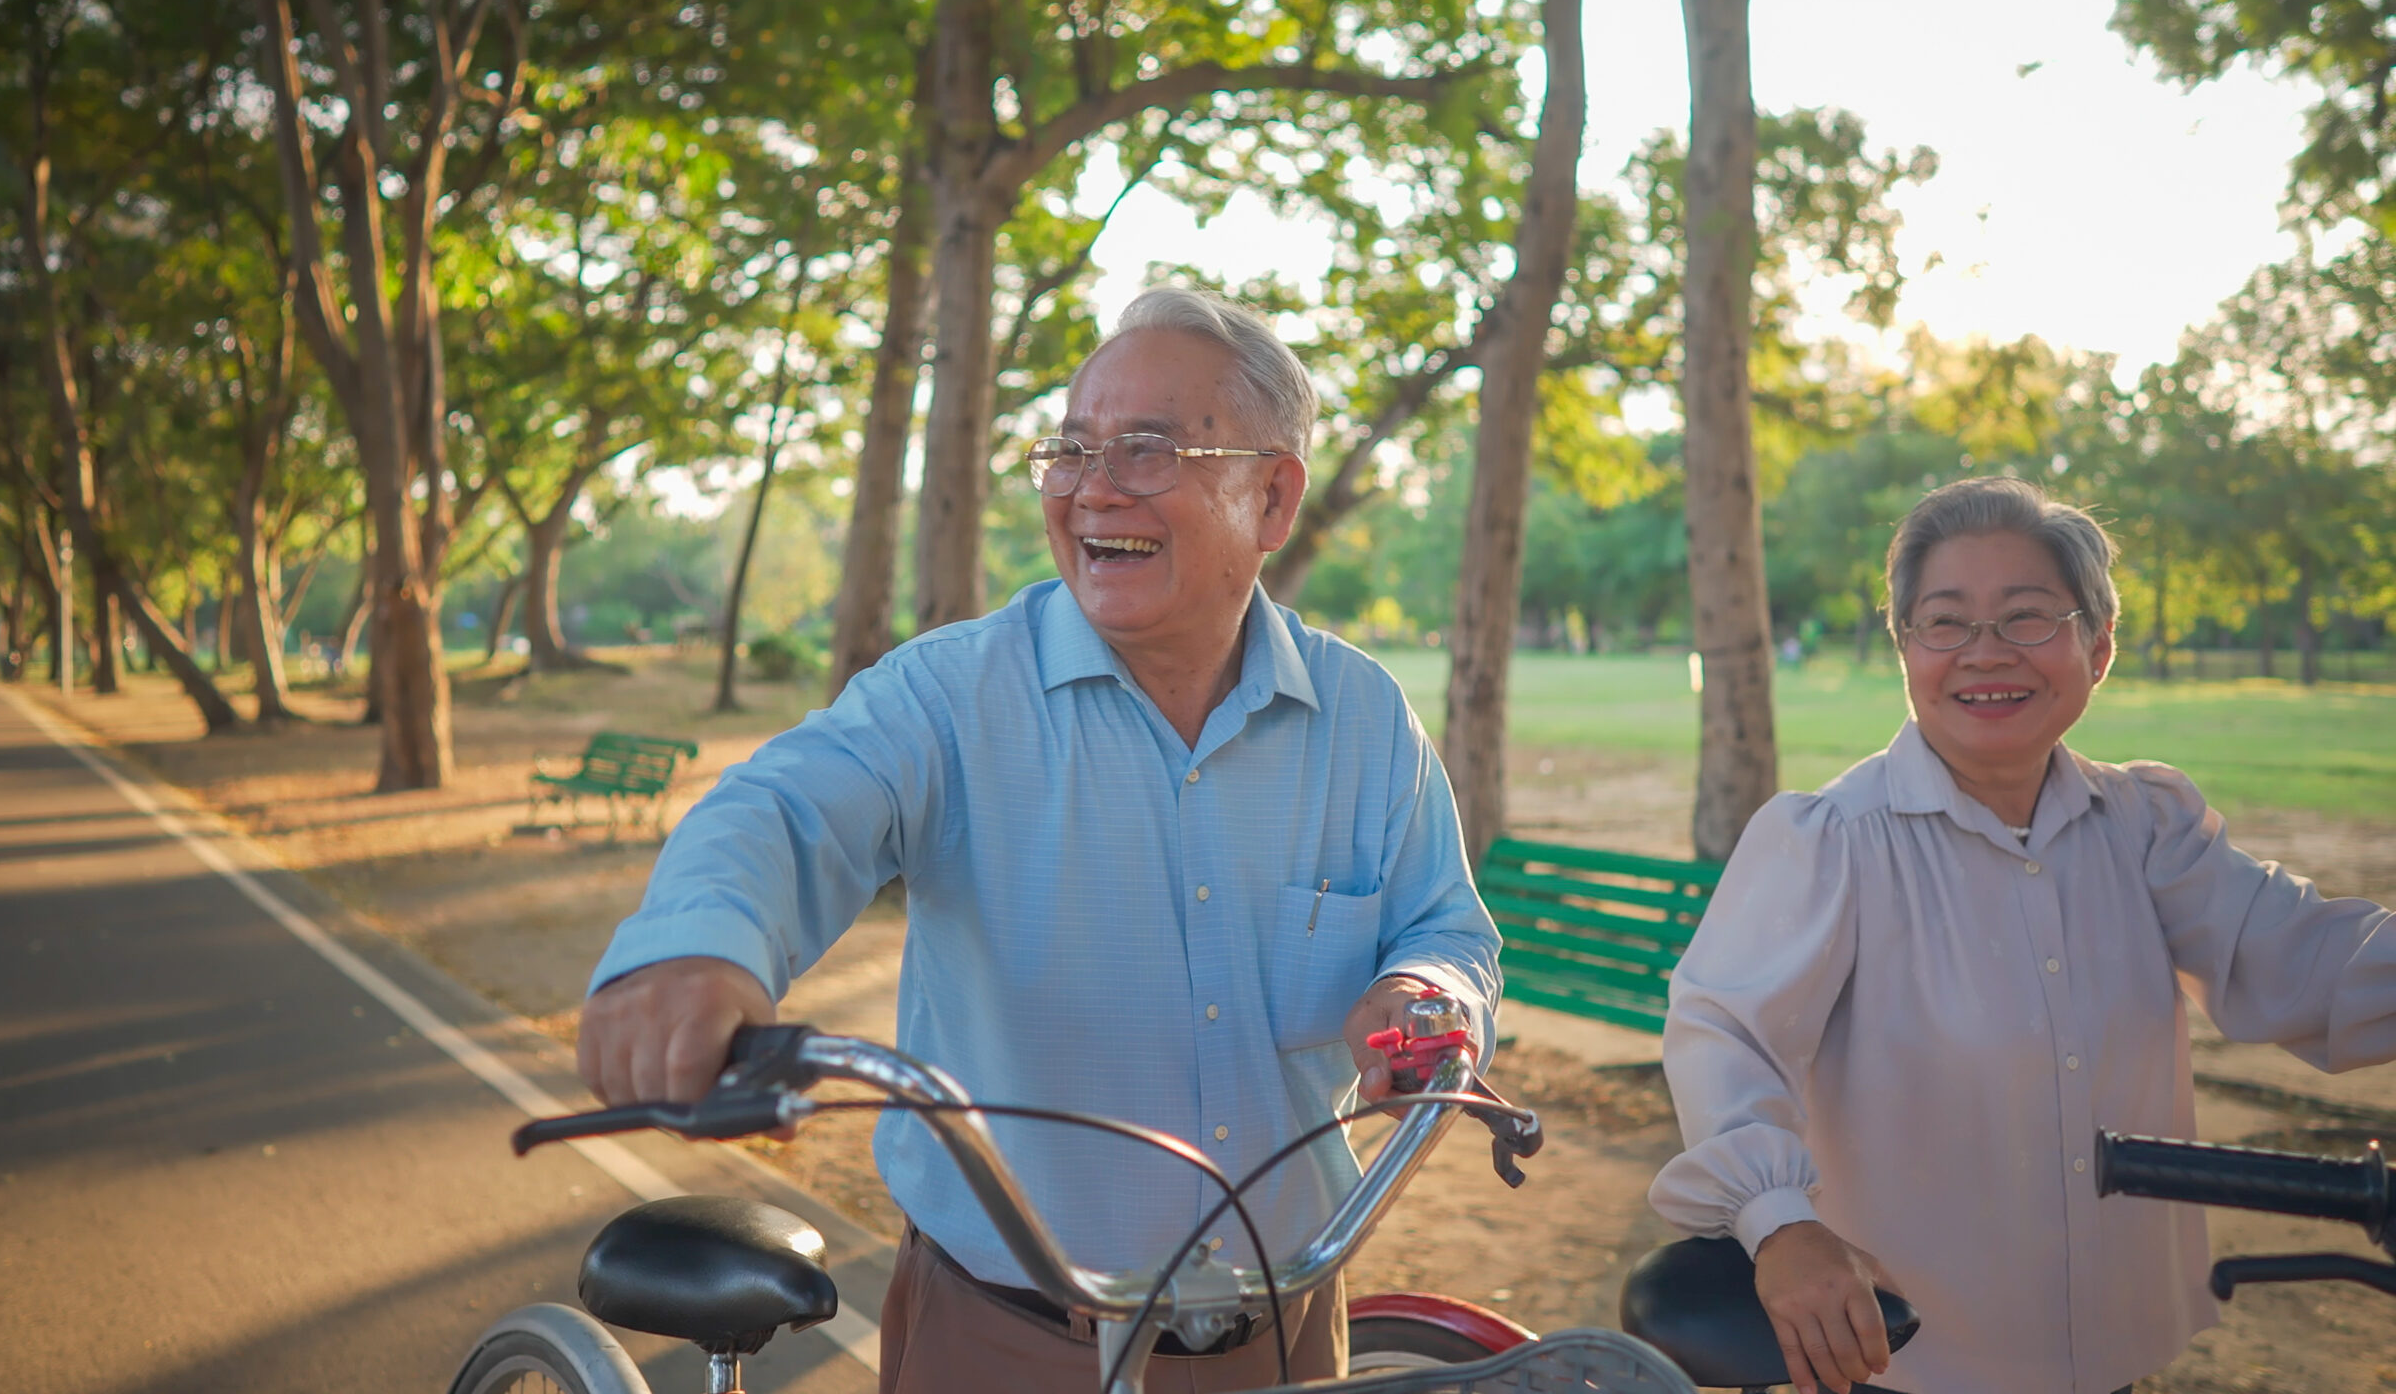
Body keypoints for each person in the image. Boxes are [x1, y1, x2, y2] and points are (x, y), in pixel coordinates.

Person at [578, 287, 1501, 1394]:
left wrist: (1423, 991)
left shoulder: (1362, 720)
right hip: (1008, 1342)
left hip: (1289, 1334)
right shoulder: (951, 695)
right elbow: (786, 807)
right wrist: (697, 947)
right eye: (1068, 449)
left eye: (1149, 449)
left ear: (1272, 495)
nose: (1092, 487)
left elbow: (1444, 928)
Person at [1649, 477, 2395, 1394]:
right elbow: (1725, 1032)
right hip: (1909, 1360)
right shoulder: (1832, 841)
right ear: (1907, 650)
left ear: (2100, 646)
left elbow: (2305, 965)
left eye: (2028, 617)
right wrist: (1779, 1221)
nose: (1985, 653)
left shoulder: (2147, 826)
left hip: (2113, 1346)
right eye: (1946, 622)